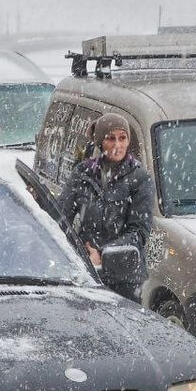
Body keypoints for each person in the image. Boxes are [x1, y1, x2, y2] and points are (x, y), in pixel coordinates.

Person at [57, 113, 154, 302]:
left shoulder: (139, 178)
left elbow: (139, 232)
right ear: (100, 141)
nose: (117, 145)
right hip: (87, 272)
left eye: (122, 138)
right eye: (111, 138)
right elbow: (61, 217)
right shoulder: (83, 173)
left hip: (125, 277)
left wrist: (103, 253)